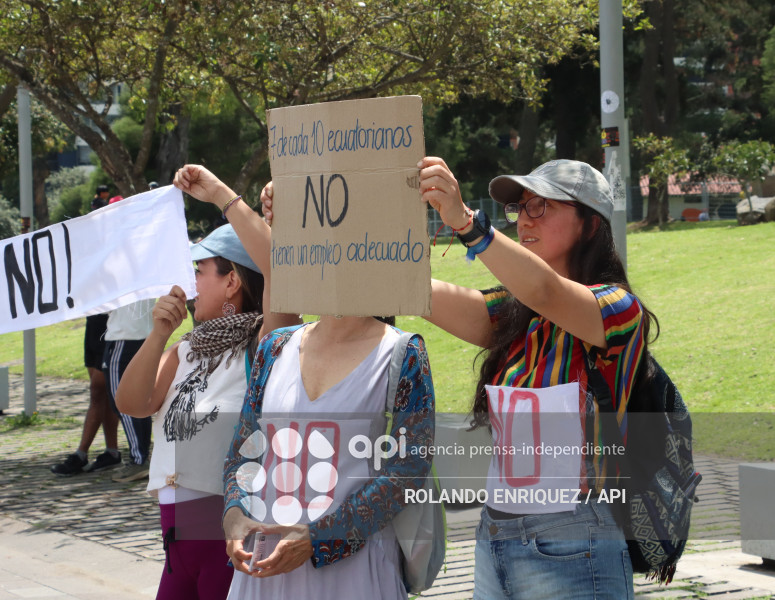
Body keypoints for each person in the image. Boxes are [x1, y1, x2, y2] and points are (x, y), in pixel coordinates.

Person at [414, 157, 651, 599]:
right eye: (520, 207)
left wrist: (467, 223)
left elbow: (546, 289)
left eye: (541, 206)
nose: (524, 218)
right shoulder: (515, 311)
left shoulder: (618, 307)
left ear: (590, 225)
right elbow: (415, 289)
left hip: (575, 535)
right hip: (496, 531)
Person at [218, 185, 435, 600]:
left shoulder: (403, 354)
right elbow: (244, 452)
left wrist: (317, 538)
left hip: (355, 572)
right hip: (264, 568)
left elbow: (407, 472)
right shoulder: (274, 347)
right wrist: (234, 515)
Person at [115, 165, 299, 600]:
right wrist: (159, 332)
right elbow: (132, 402)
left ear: (233, 281)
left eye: (200, 271)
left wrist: (220, 194)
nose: (190, 282)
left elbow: (279, 273)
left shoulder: (266, 342)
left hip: (230, 538)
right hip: (176, 542)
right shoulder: (187, 347)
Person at [51, 184, 121, 476]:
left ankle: (81, 453)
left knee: (98, 390)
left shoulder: (120, 248)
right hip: (94, 323)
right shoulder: (92, 246)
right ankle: (112, 451)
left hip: (111, 324)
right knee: (100, 392)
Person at [102, 298, 155, 483]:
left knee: (122, 403)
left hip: (124, 336)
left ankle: (139, 460)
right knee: (137, 403)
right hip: (142, 334)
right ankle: (141, 457)